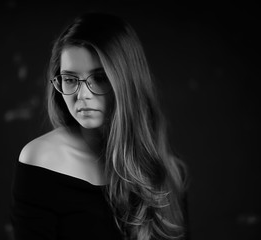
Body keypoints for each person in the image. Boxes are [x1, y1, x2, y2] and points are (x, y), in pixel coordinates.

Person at [10, 11, 188, 240]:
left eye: (100, 78)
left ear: (127, 82)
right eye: (70, 79)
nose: (82, 95)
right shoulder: (41, 160)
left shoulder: (167, 169)